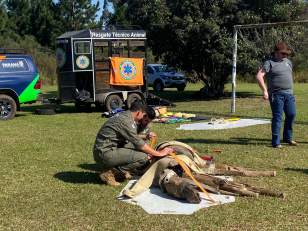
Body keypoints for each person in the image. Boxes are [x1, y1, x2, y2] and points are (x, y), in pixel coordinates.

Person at [93, 101, 173, 186]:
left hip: (106, 149)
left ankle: (116, 169)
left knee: (140, 150)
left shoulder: (125, 116)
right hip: (105, 153)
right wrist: (159, 153)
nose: (143, 118)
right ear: (139, 113)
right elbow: (140, 144)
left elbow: (134, 138)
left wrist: (146, 138)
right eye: (143, 115)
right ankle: (111, 173)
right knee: (143, 157)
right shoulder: (126, 121)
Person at [256, 41, 297, 148]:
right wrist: (265, 91)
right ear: (276, 52)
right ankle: (276, 142)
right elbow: (259, 76)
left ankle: (287, 138)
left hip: (289, 94)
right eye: (283, 53)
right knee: (277, 118)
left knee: (291, 114)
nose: (285, 55)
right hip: (276, 95)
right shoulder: (269, 63)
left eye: (286, 53)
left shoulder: (288, 62)